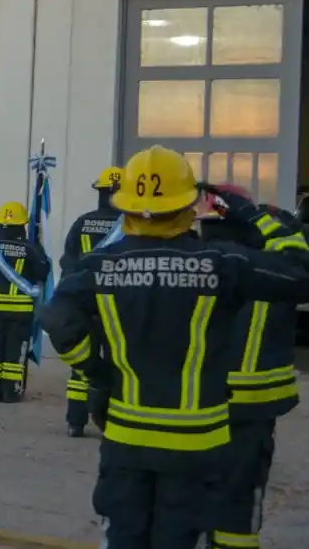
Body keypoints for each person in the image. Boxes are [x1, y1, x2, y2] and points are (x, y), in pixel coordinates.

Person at [40, 145, 309, 547]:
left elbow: (56, 319)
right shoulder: (221, 263)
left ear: (127, 208)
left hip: (127, 442)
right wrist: (251, 214)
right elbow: (298, 272)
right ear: (188, 208)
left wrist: (96, 374)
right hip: (198, 448)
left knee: (124, 538)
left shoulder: (100, 265)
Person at [197, 187, 301, 549]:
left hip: (199, 406)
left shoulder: (195, 262)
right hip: (255, 411)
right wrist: (264, 222)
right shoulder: (273, 266)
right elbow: (300, 264)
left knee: (189, 497)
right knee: (239, 505)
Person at [57, 166, 123, 436]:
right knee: (118, 362)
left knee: (82, 362)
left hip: (85, 306)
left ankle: (76, 421)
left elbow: (68, 264)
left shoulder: (82, 223)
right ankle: (112, 419)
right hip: (117, 307)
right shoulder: (130, 226)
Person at [0, 201, 51, 404]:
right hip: (20, 308)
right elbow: (42, 272)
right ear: (22, 224)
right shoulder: (30, 248)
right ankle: (10, 391)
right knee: (14, 348)